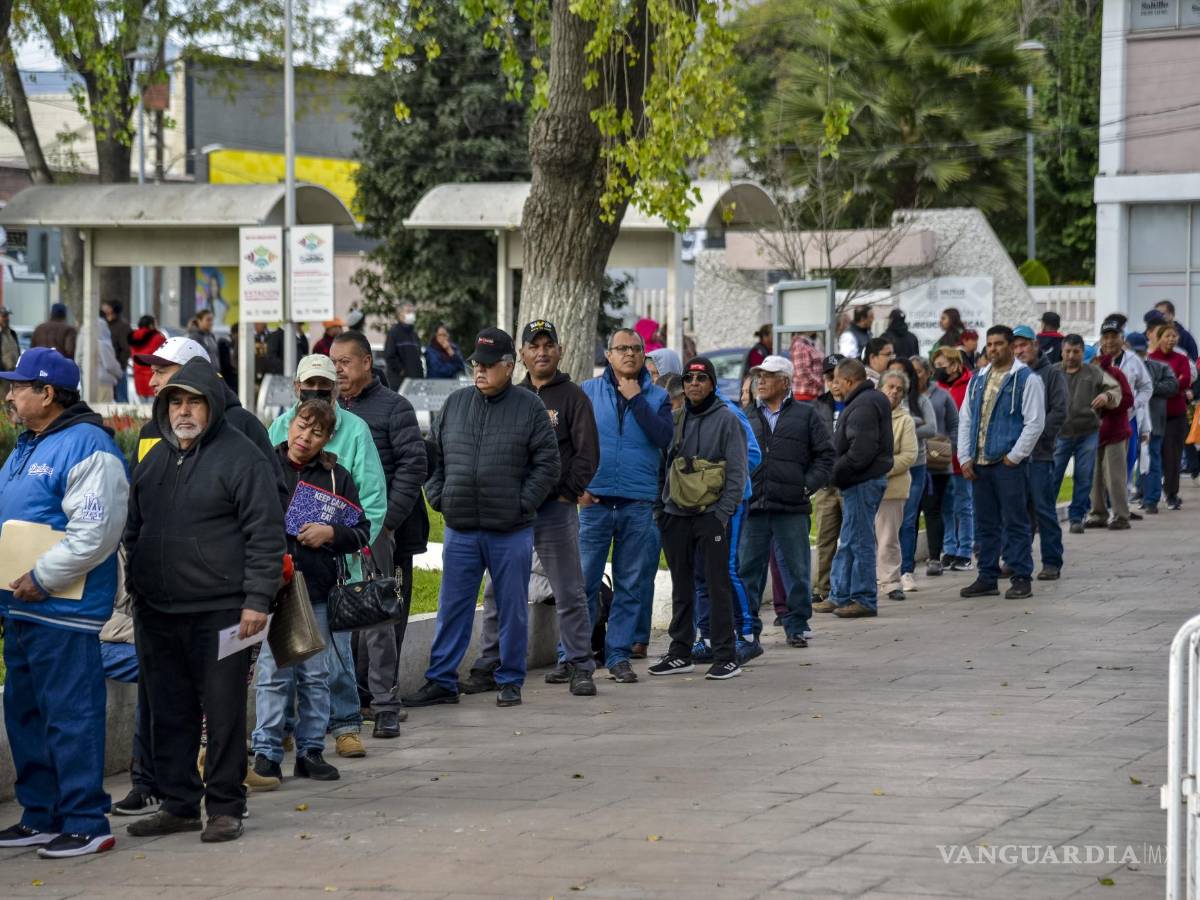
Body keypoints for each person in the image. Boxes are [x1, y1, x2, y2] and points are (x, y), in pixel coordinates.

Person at [123, 359, 285, 844]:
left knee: (224, 709)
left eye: (193, 401)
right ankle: (177, 804)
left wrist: (257, 600)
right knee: (169, 710)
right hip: (158, 612)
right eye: (176, 402)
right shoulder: (154, 460)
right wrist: (138, 587)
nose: (184, 411)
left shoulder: (242, 457)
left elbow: (265, 534)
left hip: (225, 611)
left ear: (212, 406)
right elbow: (135, 529)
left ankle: (225, 807)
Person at [0, 349, 129, 858]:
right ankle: (41, 817)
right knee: (26, 716)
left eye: (18, 387)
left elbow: (95, 532)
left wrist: (42, 577)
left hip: (62, 611)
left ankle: (85, 819)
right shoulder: (27, 444)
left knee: (71, 717)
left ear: (47, 393)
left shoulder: (89, 447)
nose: (10, 396)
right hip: (21, 609)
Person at [404, 328, 559, 708]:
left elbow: (548, 464)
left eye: (488, 365)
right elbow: (434, 458)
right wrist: (439, 496)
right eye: (476, 363)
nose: (479, 370)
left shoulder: (529, 407)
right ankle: (441, 680)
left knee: (511, 609)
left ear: (508, 366)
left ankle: (509, 679)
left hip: (510, 530)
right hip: (461, 529)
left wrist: (522, 504)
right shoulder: (455, 405)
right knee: (452, 606)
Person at [467, 320, 600, 697]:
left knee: (570, 591)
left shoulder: (573, 397)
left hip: (554, 512)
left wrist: (566, 493)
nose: (541, 352)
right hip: (509, 513)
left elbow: (588, 454)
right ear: (520, 355)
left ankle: (579, 664)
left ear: (559, 351)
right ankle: (488, 663)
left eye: (548, 345)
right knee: (497, 591)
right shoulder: (505, 395)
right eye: (533, 345)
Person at [268, 354, 387, 755]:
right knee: (280, 661)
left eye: (325, 387)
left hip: (333, 568)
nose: (307, 435)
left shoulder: (355, 433)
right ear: (296, 390)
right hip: (280, 573)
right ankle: (281, 732)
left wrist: (336, 536)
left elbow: (367, 502)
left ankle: (346, 725)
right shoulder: (277, 431)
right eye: (309, 387)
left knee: (332, 658)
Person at [252, 400, 372, 785]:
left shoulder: (337, 477)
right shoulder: (263, 465)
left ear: (327, 439)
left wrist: (331, 534)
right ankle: (267, 751)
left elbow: (362, 532)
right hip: (272, 587)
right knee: (273, 674)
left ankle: (311, 751)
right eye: (302, 427)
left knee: (315, 674)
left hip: (317, 588)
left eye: (317, 433)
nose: (306, 437)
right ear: (289, 425)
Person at [330, 331, 428, 734]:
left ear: (367, 362)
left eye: (345, 363)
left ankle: (383, 697)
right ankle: (354, 698)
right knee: (345, 613)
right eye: (332, 363)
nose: (338, 371)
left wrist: (387, 521)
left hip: (387, 532)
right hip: (338, 534)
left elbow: (413, 466)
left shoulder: (394, 408)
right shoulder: (328, 411)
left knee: (384, 613)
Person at [577, 329, 673, 680]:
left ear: (643, 354)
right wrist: (577, 488)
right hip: (595, 501)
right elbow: (569, 441)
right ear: (609, 354)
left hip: (637, 502)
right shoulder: (586, 392)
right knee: (584, 582)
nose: (629, 354)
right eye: (622, 349)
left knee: (630, 583)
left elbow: (664, 438)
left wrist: (636, 400)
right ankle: (575, 655)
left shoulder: (657, 397)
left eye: (635, 349)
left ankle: (618, 655)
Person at [652, 357, 748, 680]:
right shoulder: (675, 419)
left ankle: (726, 655)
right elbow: (661, 467)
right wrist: (660, 510)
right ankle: (680, 651)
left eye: (701, 378)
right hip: (674, 515)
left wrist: (722, 514)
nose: (694, 384)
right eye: (689, 378)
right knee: (682, 586)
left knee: (717, 585)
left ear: (712, 383)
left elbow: (737, 471)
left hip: (711, 516)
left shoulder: (727, 420)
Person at [739, 355, 833, 648]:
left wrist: (805, 486)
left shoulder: (806, 414)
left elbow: (826, 456)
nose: (761, 381)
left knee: (796, 568)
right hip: (753, 506)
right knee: (747, 570)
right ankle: (746, 626)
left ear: (785, 381)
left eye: (768, 376)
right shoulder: (746, 415)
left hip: (791, 506)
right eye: (758, 376)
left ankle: (797, 624)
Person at [956, 326, 1046, 601]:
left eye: (999, 344)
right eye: (990, 344)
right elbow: (966, 418)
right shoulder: (978, 379)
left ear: (1010, 346)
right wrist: (965, 457)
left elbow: (1035, 422)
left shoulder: (1025, 379)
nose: (993, 349)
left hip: (1008, 464)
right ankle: (987, 577)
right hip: (980, 463)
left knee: (1016, 522)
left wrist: (1015, 456)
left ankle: (1021, 577)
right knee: (985, 524)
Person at [814, 358, 892, 619]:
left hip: (861, 481)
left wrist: (833, 472)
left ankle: (864, 598)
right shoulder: (866, 401)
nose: (835, 386)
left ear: (849, 381)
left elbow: (861, 451)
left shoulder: (864, 404)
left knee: (859, 541)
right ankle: (840, 594)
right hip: (856, 481)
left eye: (837, 380)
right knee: (847, 540)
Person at [1011, 325, 1068, 581]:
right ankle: (1015, 560)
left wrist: (1036, 435)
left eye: (1023, 345)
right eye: (1015, 346)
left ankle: (1052, 562)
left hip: (1041, 455)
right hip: (1014, 456)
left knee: (1044, 510)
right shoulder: (1012, 375)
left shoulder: (1052, 374)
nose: (1019, 350)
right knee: (1017, 512)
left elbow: (1059, 411)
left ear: (1035, 345)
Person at [1053, 336, 1121, 534]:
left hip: (1088, 432)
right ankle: (1045, 517)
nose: (1072, 356)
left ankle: (1076, 518)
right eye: (1068, 351)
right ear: (1062, 351)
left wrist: (1106, 396)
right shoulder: (1053, 372)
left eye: (1076, 352)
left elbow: (1114, 389)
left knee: (1084, 476)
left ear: (1083, 352)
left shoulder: (1094, 372)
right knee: (1053, 476)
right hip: (1060, 433)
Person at [886, 358, 934, 592]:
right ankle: (886, 570)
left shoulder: (919, 401)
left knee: (908, 518)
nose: (896, 380)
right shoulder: (880, 402)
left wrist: (908, 427)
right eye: (892, 373)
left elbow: (931, 428)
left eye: (901, 374)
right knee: (885, 522)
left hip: (914, 465)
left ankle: (906, 569)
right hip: (886, 468)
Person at [875, 369, 918, 601]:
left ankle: (891, 583)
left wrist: (882, 469)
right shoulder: (870, 414)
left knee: (888, 538)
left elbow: (909, 455)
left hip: (892, 488)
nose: (893, 391)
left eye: (899, 389)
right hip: (865, 485)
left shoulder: (905, 420)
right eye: (889, 386)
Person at [931, 345, 975, 571]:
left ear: (956, 365)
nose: (938, 370)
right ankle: (949, 548)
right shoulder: (936, 389)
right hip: (941, 457)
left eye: (942, 366)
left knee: (964, 504)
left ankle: (965, 550)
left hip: (962, 454)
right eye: (935, 366)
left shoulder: (970, 386)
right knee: (946, 506)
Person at [913, 356, 957, 577]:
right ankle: (906, 561)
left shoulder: (942, 395)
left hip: (937, 465)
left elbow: (954, 424)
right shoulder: (905, 396)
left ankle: (934, 557)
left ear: (928, 372)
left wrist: (951, 449)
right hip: (911, 462)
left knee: (933, 510)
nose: (915, 375)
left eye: (919, 371)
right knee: (910, 513)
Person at [1085, 348, 1134, 530]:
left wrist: (1108, 404)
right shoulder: (1083, 377)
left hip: (1115, 432)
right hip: (1091, 434)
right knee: (1094, 477)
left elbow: (1128, 399)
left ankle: (1121, 515)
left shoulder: (1115, 374)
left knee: (1115, 476)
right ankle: (1098, 513)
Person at [811, 355, 845, 605]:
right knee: (825, 538)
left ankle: (847, 586)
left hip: (850, 481)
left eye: (838, 377)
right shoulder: (818, 406)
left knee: (852, 539)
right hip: (825, 484)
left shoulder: (858, 403)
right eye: (829, 377)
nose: (834, 382)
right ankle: (822, 586)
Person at [1149, 321, 1193, 510]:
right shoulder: (1151, 359)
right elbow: (1149, 384)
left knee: (1173, 456)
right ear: (1159, 338)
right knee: (1153, 455)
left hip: (1176, 414)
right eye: (1167, 335)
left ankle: (1172, 493)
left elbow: (1184, 382)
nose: (1171, 339)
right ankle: (1149, 494)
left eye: (1174, 336)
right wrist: (1173, 384)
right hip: (1155, 415)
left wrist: (1169, 385)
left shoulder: (1181, 359)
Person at [1099, 315, 1152, 472]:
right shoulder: (1093, 360)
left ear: (1122, 339)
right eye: (1106, 337)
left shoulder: (1133, 359)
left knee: (1126, 462)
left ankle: (1121, 494)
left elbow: (1146, 386)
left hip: (1128, 418)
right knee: (1100, 465)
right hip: (1100, 420)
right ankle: (1103, 496)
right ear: (1101, 340)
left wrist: (1134, 404)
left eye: (1114, 336)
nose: (1109, 341)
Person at [1135, 329, 1179, 515]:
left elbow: (1173, 386)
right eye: (1134, 351)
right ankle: (1141, 494)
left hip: (1154, 421)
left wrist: (1150, 386)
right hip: (1130, 422)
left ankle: (1151, 499)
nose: (1138, 355)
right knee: (1135, 460)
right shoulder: (1121, 367)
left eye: (1141, 351)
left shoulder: (1159, 367)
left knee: (1152, 458)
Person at [76, 317, 125, 402]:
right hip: (104, 382)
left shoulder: (82, 341)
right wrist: (120, 374)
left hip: (87, 381)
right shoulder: (103, 343)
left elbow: (78, 360)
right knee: (104, 410)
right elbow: (110, 365)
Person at [384, 302, 425, 387]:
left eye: (412, 312)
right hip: (400, 382)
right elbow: (390, 356)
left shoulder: (414, 334)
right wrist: (401, 371)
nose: (412, 315)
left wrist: (420, 374)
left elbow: (418, 357)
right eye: (408, 312)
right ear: (400, 314)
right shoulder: (394, 332)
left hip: (415, 381)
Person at [128, 316, 166, 400]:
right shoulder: (158, 337)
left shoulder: (133, 337)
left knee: (142, 408)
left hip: (138, 375)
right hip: (153, 375)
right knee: (153, 406)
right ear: (151, 325)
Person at [101, 300, 132, 402]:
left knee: (121, 400)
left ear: (112, 309)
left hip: (118, 368)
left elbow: (126, 349)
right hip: (106, 368)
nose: (103, 307)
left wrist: (120, 366)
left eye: (107, 305)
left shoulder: (123, 327)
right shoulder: (104, 324)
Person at [789, 332, 825, 401]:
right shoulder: (800, 345)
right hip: (805, 395)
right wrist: (820, 382)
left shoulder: (807, 343)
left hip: (811, 394)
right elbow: (802, 372)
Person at [0, 305, 19, 371]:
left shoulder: (12, 333)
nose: (7, 318)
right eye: (4, 316)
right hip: (2, 374)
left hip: (14, 372)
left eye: (8, 316)